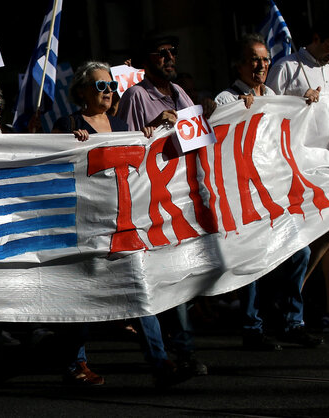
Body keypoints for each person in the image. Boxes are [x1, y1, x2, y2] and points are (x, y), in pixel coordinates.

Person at [55, 61, 189, 387]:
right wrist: (70, 143)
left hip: (123, 223)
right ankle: (76, 363)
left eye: (111, 86)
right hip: (87, 226)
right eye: (101, 86)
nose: (108, 92)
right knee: (85, 298)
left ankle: (160, 361)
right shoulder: (68, 124)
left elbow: (141, 159)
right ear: (83, 90)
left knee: (139, 290)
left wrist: (152, 130)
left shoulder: (118, 124)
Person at [115, 34, 207, 377]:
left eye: (173, 51)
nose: (170, 57)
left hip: (177, 199)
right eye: (162, 53)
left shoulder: (179, 93)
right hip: (146, 202)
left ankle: (184, 351)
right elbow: (125, 145)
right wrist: (155, 126)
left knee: (178, 276)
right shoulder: (136, 96)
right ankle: (161, 355)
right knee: (149, 280)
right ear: (146, 61)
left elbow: (197, 140)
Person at [266, 15, 329, 333]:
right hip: (300, 163)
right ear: (316, 38)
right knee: (326, 232)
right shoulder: (286, 68)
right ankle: (286, 297)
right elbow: (269, 116)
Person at [213, 34, 301, 351]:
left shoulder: (273, 95)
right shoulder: (226, 99)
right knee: (251, 259)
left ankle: (292, 321)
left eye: (265, 59)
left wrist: (304, 104)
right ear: (239, 65)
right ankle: (253, 327)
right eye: (254, 59)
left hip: (273, 191)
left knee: (297, 252)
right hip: (244, 194)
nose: (261, 65)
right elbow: (218, 146)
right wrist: (239, 113)